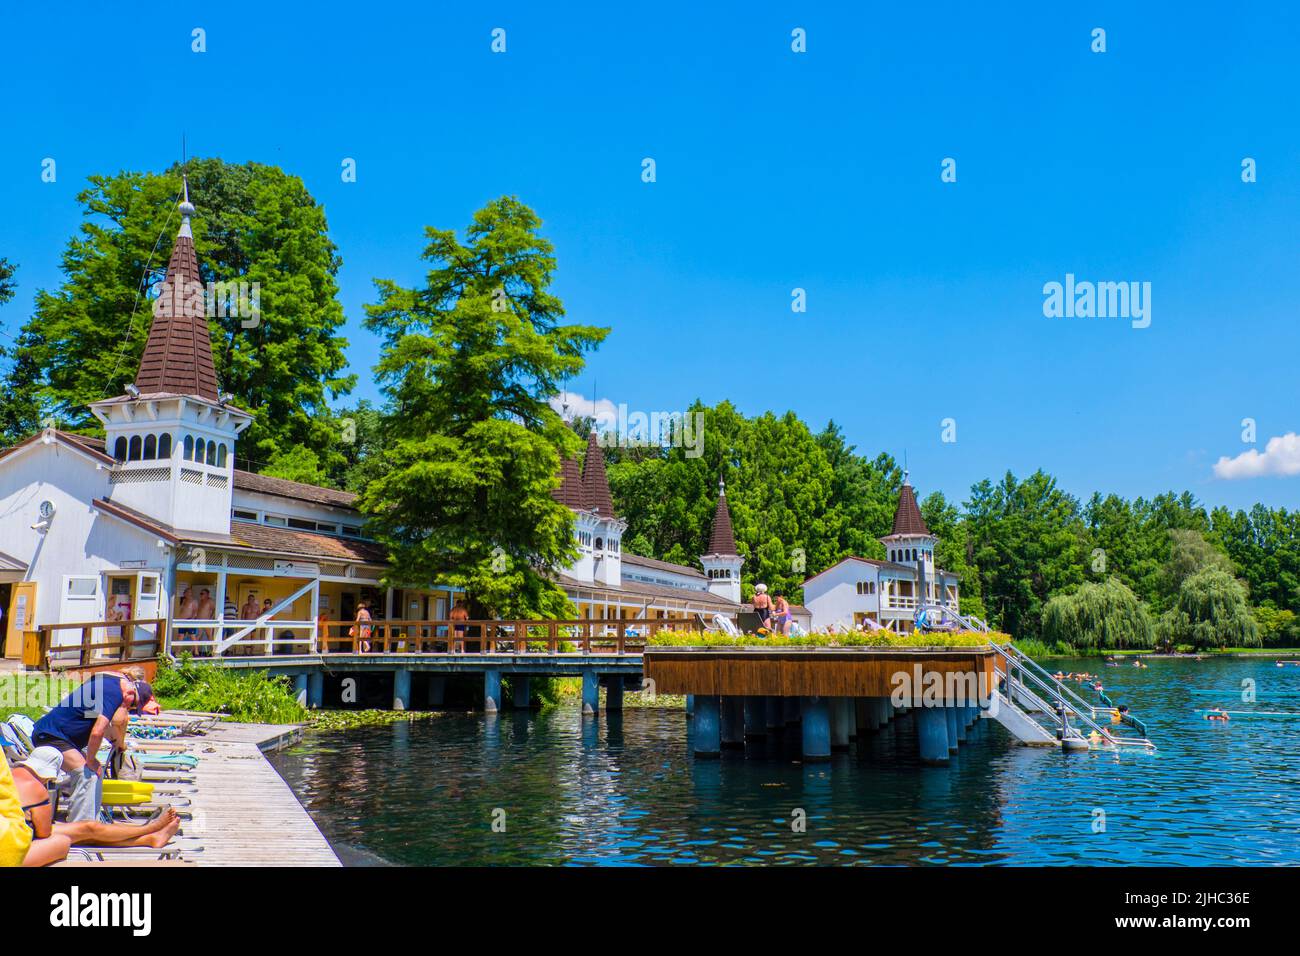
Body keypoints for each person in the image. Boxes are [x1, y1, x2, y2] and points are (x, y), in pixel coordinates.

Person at [10, 747, 181, 867]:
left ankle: (149, 837)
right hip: (13, 851)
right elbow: (44, 833)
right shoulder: (37, 789)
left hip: (16, 834)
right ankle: (149, 829)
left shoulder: (8, 777)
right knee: (66, 840)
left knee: (88, 827)